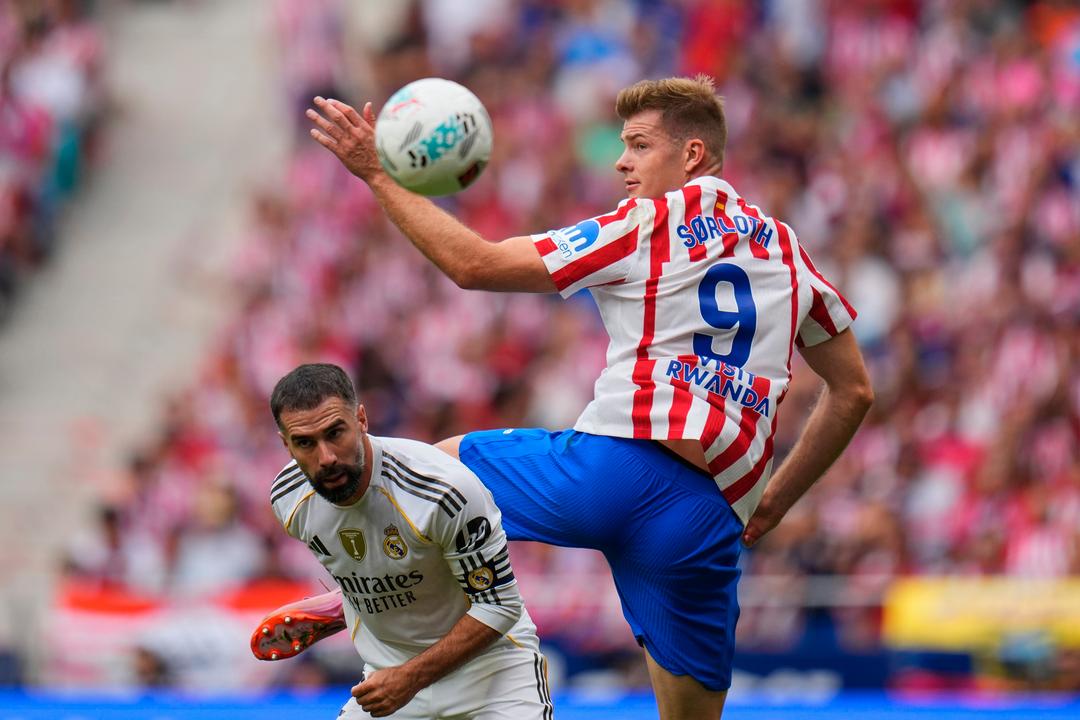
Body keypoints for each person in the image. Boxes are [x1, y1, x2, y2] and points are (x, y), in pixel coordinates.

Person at [285, 75, 874, 719]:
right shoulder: (787, 251)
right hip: (705, 520)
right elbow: (853, 393)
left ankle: (362, 595)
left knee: (435, 471)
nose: (621, 161)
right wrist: (773, 503)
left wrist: (377, 173)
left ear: (693, 155)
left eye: (639, 145)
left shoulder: (646, 224)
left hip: (612, 472)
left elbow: (473, 265)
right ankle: (370, 597)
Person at [254, 363, 553, 719]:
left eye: (336, 433)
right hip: (388, 679)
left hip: (492, 676)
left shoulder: (442, 490)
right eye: (305, 443)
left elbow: (500, 607)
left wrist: (409, 678)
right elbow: (368, 549)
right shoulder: (289, 499)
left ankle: (343, 605)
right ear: (286, 445)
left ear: (362, 419)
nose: (326, 458)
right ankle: (345, 603)